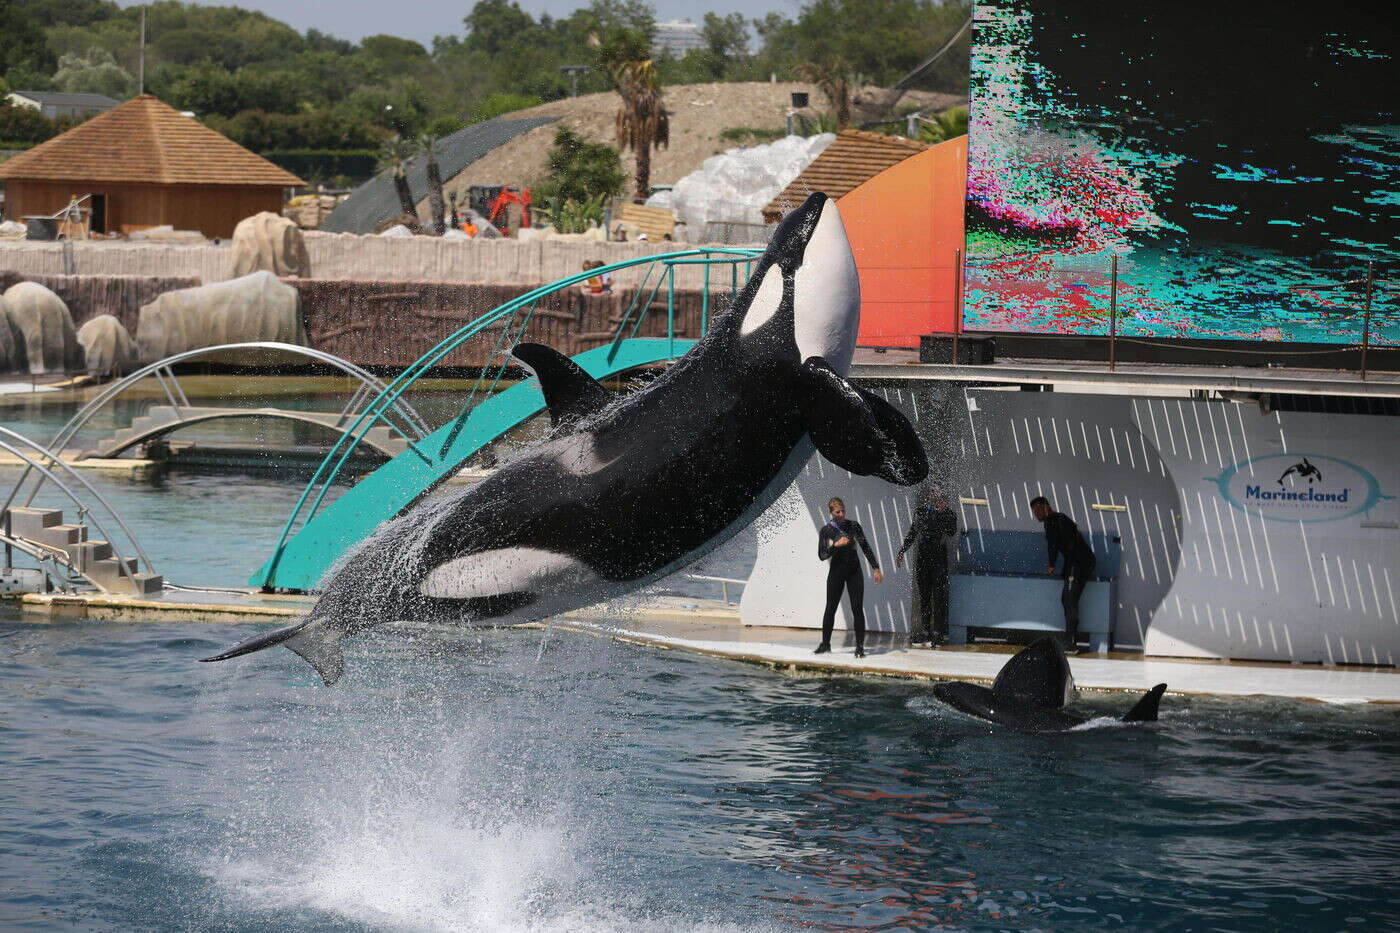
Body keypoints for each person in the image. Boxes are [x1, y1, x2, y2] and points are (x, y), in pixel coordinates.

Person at [816, 497, 882, 658]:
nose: (841, 514)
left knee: (857, 608)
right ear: (831, 512)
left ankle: (859, 647)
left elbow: (865, 546)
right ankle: (825, 644)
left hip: (854, 571)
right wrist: (835, 546)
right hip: (837, 571)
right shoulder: (827, 530)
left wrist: (876, 568)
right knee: (830, 607)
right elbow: (822, 555)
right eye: (837, 512)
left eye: (843, 511)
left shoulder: (853, 526)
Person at [1030, 496, 1096, 654]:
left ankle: (1071, 643)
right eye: (1034, 511)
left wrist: (1052, 564)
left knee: (1069, 599)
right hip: (1076, 562)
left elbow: (1052, 545)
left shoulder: (1053, 520)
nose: (1037, 513)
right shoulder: (1059, 518)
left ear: (1047, 506)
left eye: (1039, 509)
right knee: (1067, 599)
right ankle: (1069, 640)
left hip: (1079, 562)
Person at [895, 487, 959, 647]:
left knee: (939, 597)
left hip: (939, 560)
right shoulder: (921, 511)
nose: (935, 496)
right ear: (929, 496)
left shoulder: (949, 513)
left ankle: (938, 632)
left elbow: (951, 531)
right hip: (923, 559)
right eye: (933, 493)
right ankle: (925, 631)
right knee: (924, 596)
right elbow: (913, 532)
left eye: (938, 493)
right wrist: (903, 549)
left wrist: (943, 512)